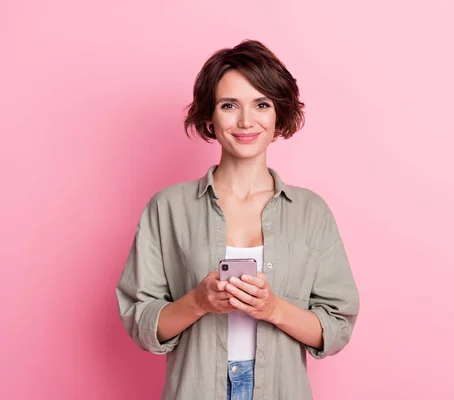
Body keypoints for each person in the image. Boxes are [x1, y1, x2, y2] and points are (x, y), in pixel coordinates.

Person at [116, 39, 360, 400]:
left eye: (261, 104)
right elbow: (141, 320)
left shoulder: (311, 212)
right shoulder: (167, 208)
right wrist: (198, 302)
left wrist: (273, 308)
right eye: (229, 105)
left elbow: (337, 328)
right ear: (210, 116)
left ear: (278, 112)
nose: (246, 121)